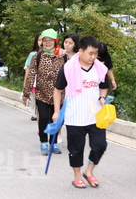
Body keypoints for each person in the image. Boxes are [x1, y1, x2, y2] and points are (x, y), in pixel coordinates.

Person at [53, 35, 109, 188]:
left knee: (100, 145)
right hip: (75, 116)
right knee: (76, 149)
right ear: (81, 51)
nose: (94, 57)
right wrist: (57, 112)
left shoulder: (99, 68)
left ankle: (89, 171)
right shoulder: (68, 68)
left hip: (95, 116)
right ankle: (77, 175)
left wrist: (102, 97)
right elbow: (57, 90)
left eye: (96, 53)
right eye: (91, 53)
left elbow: (104, 86)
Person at [22, 28, 66, 155]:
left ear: (55, 41)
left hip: (59, 94)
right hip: (42, 93)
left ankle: (54, 143)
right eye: (45, 40)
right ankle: (43, 142)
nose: (47, 43)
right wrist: (26, 93)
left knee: (56, 119)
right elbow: (31, 75)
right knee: (44, 117)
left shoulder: (63, 56)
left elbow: (70, 73)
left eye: (50, 40)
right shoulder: (38, 56)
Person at [23, 32, 42, 121]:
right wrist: (25, 87)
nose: (41, 42)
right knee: (37, 101)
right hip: (34, 82)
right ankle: (36, 113)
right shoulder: (32, 54)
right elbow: (27, 71)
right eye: (39, 40)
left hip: (46, 84)